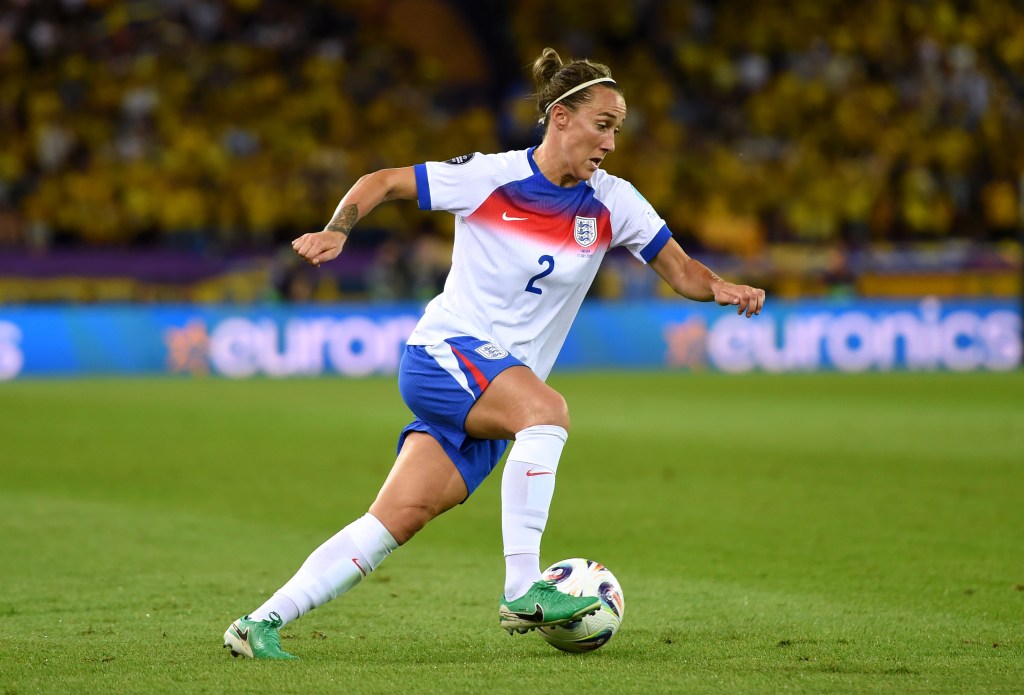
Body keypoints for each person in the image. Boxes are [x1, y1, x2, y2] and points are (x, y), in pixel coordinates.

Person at [223, 47, 765, 660]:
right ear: (560, 117)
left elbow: (682, 271)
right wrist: (337, 229)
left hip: (495, 388)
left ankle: (259, 624)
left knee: (394, 519)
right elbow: (384, 181)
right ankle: (521, 589)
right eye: (602, 125)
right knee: (547, 413)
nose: (610, 143)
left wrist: (719, 287)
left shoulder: (614, 202)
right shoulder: (489, 176)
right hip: (446, 352)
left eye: (617, 129)